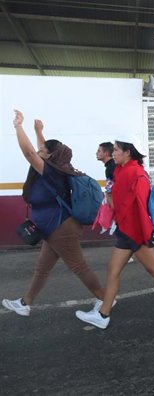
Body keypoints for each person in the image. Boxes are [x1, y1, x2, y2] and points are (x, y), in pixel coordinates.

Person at [75, 137, 154, 329]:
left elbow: (138, 207)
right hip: (127, 230)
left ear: (127, 152)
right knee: (113, 269)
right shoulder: (123, 171)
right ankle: (103, 315)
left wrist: (141, 235)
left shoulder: (136, 174)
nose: (112, 153)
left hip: (136, 232)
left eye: (115, 150)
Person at [3, 113, 106, 317]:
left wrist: (18, 127)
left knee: (78, 266)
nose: (39, 150)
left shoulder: (52, 172)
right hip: (53, 228)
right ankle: (25, 303)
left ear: (50, 156)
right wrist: (39, 132)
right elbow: (44, 150)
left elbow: (30, 154)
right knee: (42, 268)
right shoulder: (57, 167)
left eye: (43, 150)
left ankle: (105, 300)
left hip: (61, 228)